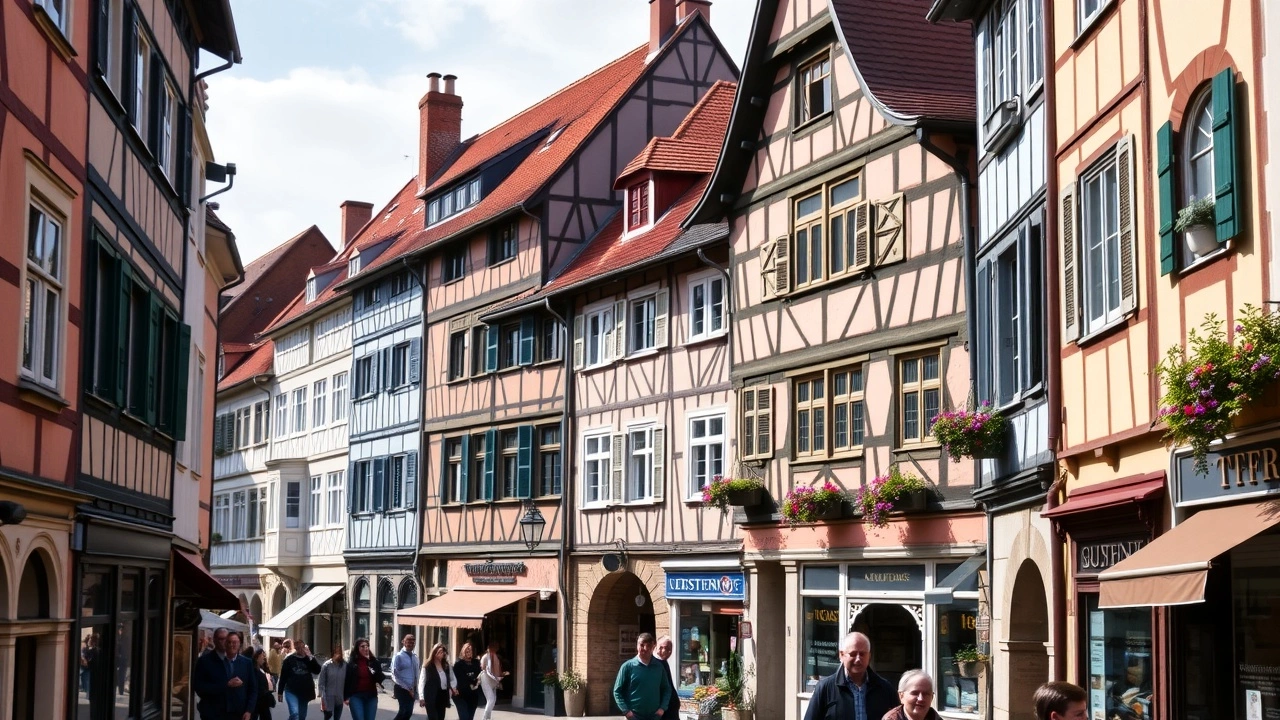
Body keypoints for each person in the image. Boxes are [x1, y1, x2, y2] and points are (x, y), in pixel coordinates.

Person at [802, 632, 895, 720]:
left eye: (862, 654)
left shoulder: (885, 688)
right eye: (853, 654)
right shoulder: (825, 688)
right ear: (841, 655)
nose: (858, 659)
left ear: (869, 656)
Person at [194, 630, 258, 720]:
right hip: (213, 713)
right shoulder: (205, 661)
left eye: (229, 639)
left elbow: (253, 689)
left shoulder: (246, 662)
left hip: (238, 713)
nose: (226, 643)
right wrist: (226, 685)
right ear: (214, 640)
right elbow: (199, 688)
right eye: (222, 639)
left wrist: (249, 710)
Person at [613, 633, 672, 720]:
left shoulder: (659, 667)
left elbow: (667, 689)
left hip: (654, 716)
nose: (645, 648)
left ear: (653, 646)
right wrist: (626, 711)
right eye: (641, 645)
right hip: (634, 716)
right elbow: (617, 691)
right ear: (637, 645)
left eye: (648, 645)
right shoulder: (628, 666)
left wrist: (662, 708)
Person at [281, 638, 323, 720]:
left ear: (305, 647)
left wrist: (311, 656)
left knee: (302, 716)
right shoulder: (289, 659)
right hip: (291, 690)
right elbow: (283, 675)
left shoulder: (308, 658)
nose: (300, 650)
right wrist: (280, 692)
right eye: (298, 648)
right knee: (295, 714)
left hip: (305, 692)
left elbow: (317, 670)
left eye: (302, 647)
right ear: (295, 648)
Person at [343, 638, 386, 720]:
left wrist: (371, 666)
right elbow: (347, 680)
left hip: (371, 696)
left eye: (367, 646)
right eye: (362, 646)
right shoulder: (352, 663)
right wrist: (346, 697)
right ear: (357, 648)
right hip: (356, 696)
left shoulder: (374, 661)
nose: (365, 648)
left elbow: (380, 678)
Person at [419, 642, 459, 720]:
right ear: (434, 653)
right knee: (433, 717)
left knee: (441, 717)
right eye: (439, 652)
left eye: (442, 652)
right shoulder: (427, 666)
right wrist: (421, 697)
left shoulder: (446, 666)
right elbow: (421, 682)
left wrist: (453, 687)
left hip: (442, 695)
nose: (442, 654)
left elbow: (452, 678)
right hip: (430, 695)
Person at [391, 634, 421, 720]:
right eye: (408, 642)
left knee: (409, 712)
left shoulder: (415, 657)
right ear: (403, 642)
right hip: (401, 688)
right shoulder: (398, 656)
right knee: (404, 710)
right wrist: (407, 688)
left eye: (413, 642)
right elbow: (394, 675)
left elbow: (417, 674)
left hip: (413, 688)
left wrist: (416, 688)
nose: (411, 644)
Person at [654, 636, 682, 720]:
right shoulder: (655, 664)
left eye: (669, 648)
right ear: (655, 647)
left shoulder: (663, 662)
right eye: (661, 647)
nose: (664, 651)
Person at [479, 641, 509, 720]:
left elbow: (497, 669)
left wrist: (502, 674)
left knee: (493, 700)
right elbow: (482, 667)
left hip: (493, 680)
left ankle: (488, 717)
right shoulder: (485, 656)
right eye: (495, 647)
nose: (496, 649)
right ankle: (485, 718)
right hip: (486, 679)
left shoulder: (496, 657)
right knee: (491, 699)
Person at [453, 643, 483, 720]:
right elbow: (461, 679)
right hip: (461, 695)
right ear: (463, 651)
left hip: (473, 695)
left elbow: (479, 675)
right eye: (467, 650)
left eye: (470, 650)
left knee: (470, 717)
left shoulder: (476, 662)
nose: (469, 652)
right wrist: (472, 681)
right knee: (464, 717)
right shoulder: (458, 664)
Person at [318, 646, 348, 720]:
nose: (339, 655)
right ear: (333, 654)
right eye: (337, 653)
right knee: (328, 716)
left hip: (340, 696)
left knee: (337, 718)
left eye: (340, 653)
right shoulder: (327, 665)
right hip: (328, 697)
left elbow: (348, 681)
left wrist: (347, 696)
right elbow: (321, 680)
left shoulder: (345, 665)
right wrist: (321, 694)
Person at [250, 648, 276, 720]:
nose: (264, 658)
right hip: (258, 699)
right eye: (262, 656)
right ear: (256, 658)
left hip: (263, 699)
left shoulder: (262, 669)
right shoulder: (254, 670)